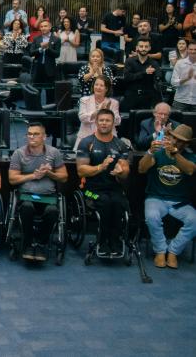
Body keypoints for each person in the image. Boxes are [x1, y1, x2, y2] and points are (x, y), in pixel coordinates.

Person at [138, 124, 196, 269]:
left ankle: (173, 252)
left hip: (180, 202)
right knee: (152, 216)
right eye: (174, 138)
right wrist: (150, 152)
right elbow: (141, 169)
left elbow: (189, 170)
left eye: (181, 140)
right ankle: (160, 251)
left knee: (194, 221)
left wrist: (176, 154)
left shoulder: (191, 156)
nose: (176, 142)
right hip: (156, 198)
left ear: (187, 143)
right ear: (169, 136)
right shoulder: (158, 153)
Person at [8, 123, 68, 261]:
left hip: (48, 197)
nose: (31, 136)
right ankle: (28, 244)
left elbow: (64, 177)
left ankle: (41, 244)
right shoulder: (19, 153)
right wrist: (33, 176)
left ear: (44, 137)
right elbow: (12, 179)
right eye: (29, 134)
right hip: (26, 196)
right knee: (27, 208)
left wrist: (49, 173)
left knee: (53, 211)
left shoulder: (54, 153)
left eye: (36, 134)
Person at [76, 109, 131, 256]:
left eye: (107, 120)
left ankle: (116, 241)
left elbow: (125, 172)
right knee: (104, 201)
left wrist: (121, 171)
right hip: (89, 191)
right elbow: (81, 171)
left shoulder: (120, 145)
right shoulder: (86, 142)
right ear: (96, 122)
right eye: (101, 120)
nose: (104, 123)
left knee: (119, 202)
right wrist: (101, 167)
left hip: (114, 189)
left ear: (113, 123)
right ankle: (103, 241)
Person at [76, 76, 120, 150]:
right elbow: (82, 118)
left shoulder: (113, 103)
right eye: (96, 85)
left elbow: (118, 122)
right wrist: (98, 111)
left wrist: (109, 113)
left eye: (101, 85)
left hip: (108, 138)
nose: (98, 87)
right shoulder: (84, 100)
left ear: (106, 89)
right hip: (87, 137)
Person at [121, 39, 160, 112]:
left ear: (149, 48)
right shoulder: (129, 61)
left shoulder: (154, 63)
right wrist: (144, 73)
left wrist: (155, 74)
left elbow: (159, 77)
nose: (143, 49)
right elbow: (127, 77)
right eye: (141, 46)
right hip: (131, 95)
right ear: (137, 48)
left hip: (147, 97)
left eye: (146, 46)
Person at [29, 20, 60, 100]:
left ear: (50, 27)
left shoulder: (56, 39)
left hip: (49, 69)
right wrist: (40, 49)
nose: (43, 28)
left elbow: (57, 54)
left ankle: (49, 111)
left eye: (45, 26)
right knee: (35, 92)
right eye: (41, 26)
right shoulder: (36, 39)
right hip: (37, 69)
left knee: (50, 94)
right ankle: (36, 111)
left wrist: (47, 48)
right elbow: (31, 53)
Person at [170, 40, 196, 111]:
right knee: (176, 121)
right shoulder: (179, 63)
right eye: (191, 49)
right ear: (187, 50)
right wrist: (186, 78)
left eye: (195, 49)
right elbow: (173, 83)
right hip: (180, 101)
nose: (193, 51)